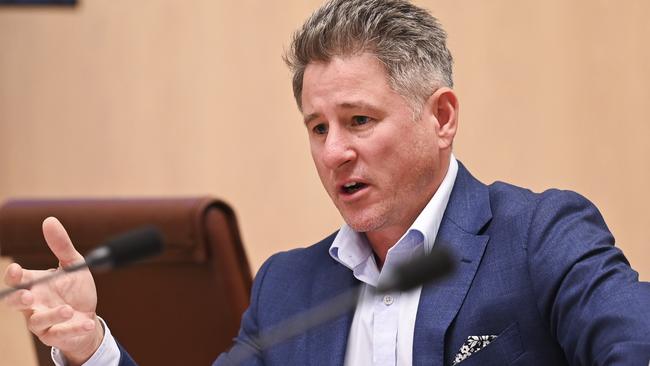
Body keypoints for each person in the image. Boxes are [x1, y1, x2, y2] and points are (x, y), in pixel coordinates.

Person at [4, 0, 650, 365]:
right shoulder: (289, 287)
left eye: (359, 121)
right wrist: (92, 349)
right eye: (317, 128)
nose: (334, 151)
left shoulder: (540, 237)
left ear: (442, 117)